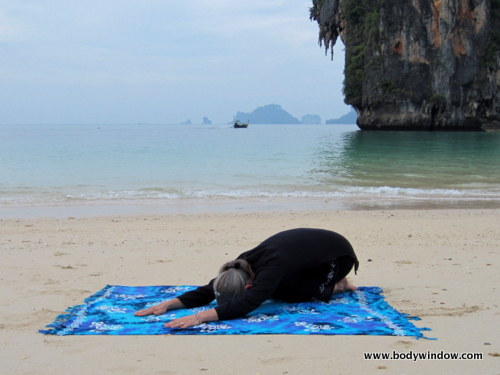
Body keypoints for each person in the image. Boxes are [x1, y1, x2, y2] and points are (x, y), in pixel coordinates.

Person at [135, 228, 359, 329]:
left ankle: (339, 284)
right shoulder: (239, 266)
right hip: (302, 255)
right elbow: (208, 290)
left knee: (287, 295)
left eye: (249, 290)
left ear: (249, 284)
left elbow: (249, 303)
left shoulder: (271, 268)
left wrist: (200, 317)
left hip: (337, 256)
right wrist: (169, 303)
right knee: (276, 289)